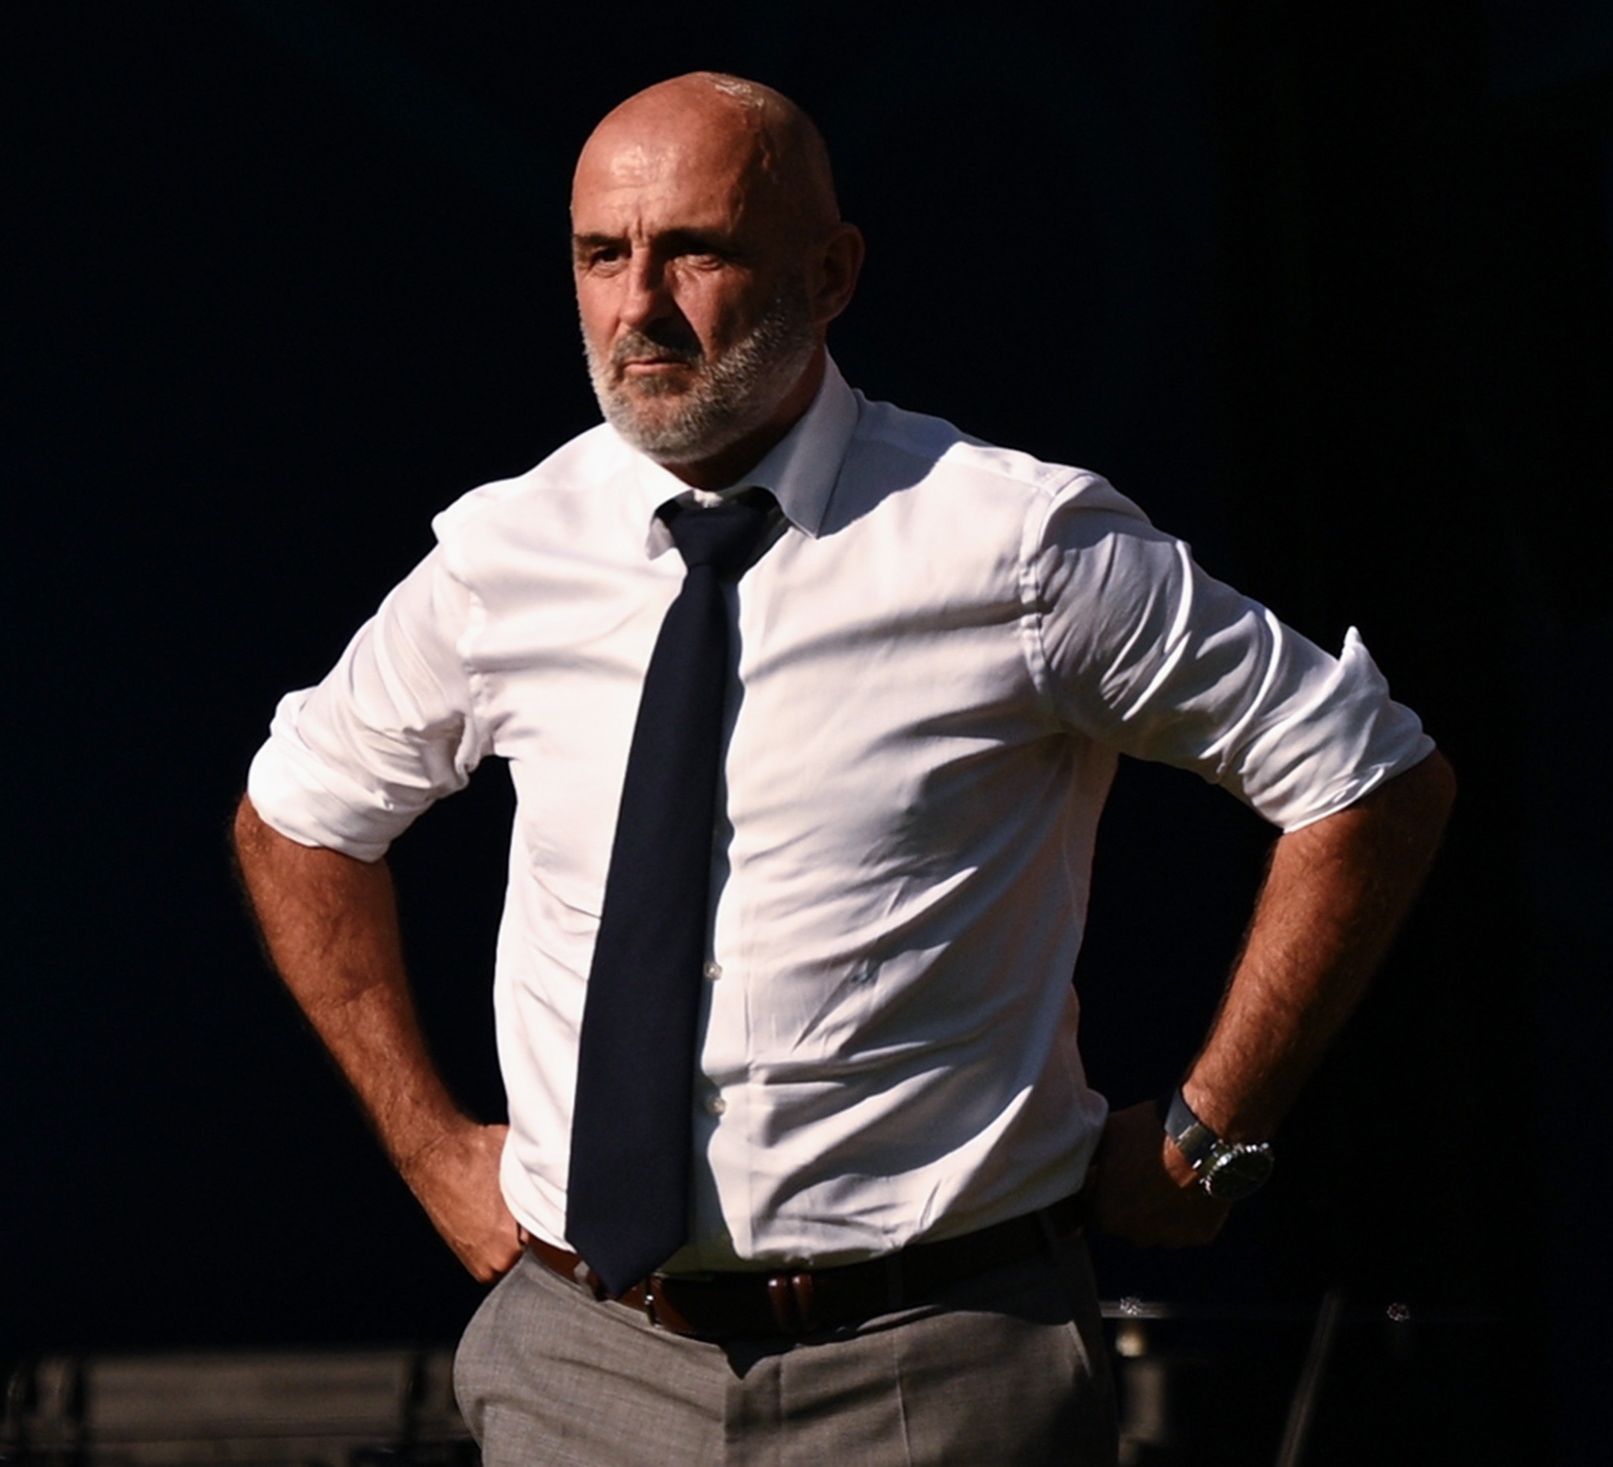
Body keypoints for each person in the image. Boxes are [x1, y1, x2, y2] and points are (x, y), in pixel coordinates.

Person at [233, 71, 1455, 1466]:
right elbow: (298, 819)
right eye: (601, 255)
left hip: (935, 1361)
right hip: (582, 1361)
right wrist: (428, 1144)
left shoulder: (1016, 547)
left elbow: (1370, 777)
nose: (638, 307)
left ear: (830, 274)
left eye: (695, 251)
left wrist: (1213, 1128)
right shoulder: (510, 551)